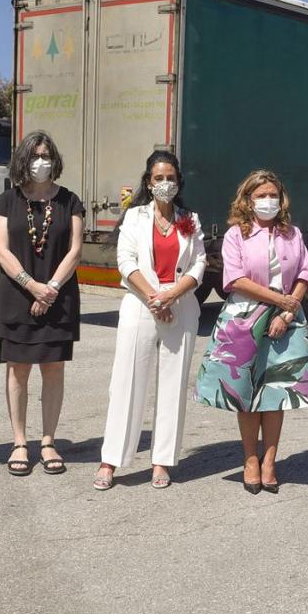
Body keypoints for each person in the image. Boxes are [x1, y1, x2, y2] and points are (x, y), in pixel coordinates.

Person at [194, 170, 308, 494]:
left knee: (276, 393)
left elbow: (304, 273)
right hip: (245, 317)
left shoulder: (292, 233)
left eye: (272, 195)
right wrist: (279, 299)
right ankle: (250, 459)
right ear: (248, 200)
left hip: (287, 318)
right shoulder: (237, 234)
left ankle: (270, 461)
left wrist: (288, 312)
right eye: (260, 196)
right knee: (245, 393)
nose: (267, 201)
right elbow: (234, 279)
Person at [94, 151, 206, 491]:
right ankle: (110, 460)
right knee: (127, 382)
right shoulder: (135, 218)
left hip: (181, 305)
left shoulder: (191, 219)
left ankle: (162, 461)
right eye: (158, 178)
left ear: (178, 181)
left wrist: (171, 296)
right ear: (148, 182)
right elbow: (126, 261)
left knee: (173, 385)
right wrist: (155, 298)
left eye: (170, 177)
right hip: (141, 303)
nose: (165, 184)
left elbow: (199, 264)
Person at [0, 132, 84, 476]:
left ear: (54, 160)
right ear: (22, 161)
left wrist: (51, 288)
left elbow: (74, 250)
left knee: (54, 368)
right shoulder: (6, 201)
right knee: (18, 369)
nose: (40, 162)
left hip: (59, 296)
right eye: (33, 156)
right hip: (15, 295)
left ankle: (47, 441)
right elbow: (1, 250)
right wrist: (33, 286)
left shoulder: (70, 201)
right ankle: (18, 442)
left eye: (46, 155)